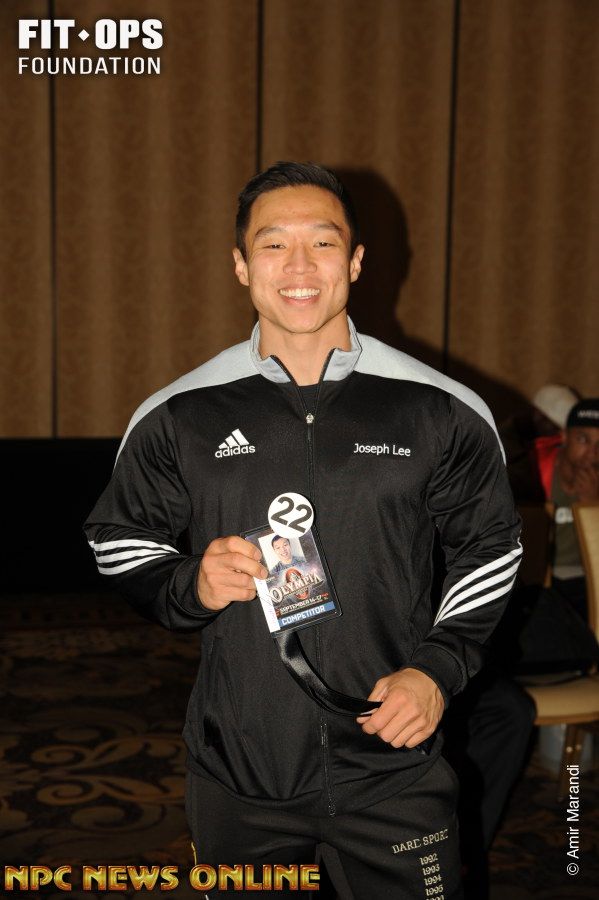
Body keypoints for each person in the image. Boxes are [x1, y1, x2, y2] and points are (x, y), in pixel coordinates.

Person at [85, 162, 521, 899]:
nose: (298, 266)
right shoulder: (178, 413)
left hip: (393, 762)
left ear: (355, 261)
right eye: (272, 244)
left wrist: (436, 670)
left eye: (322, 243)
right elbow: (117, 539)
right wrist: (188, 582)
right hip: (240, 771)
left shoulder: (439, 409)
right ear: (240, 264)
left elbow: (492, 548)